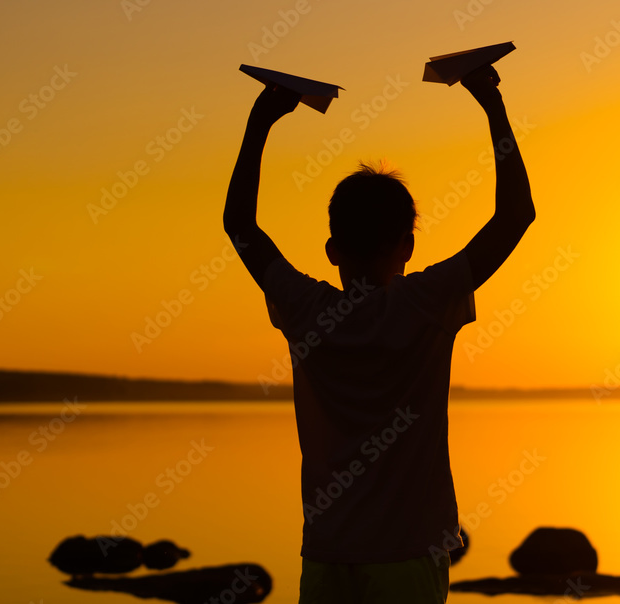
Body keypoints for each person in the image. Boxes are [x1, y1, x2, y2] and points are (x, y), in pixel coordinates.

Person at [223, 64, 534, 603]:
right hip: (407, 558)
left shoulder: (305, 308)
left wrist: (261, 121)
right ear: (408, 246)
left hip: (327, 557)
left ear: (332, 251)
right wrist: (491, 103)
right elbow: (515, 216)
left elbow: (240, 225)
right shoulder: (426, 302)